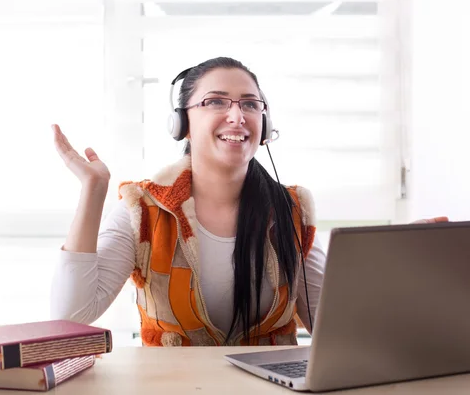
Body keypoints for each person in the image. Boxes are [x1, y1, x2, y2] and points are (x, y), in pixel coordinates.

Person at [49, 56, 446, 347]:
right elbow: (72, 314)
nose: (237, 116)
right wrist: (93, 191)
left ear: (265, 124)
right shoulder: (144, 208)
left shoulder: (292, 211)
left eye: (250, 104)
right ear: (182, 123)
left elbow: (331, 324)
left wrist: (398, 272)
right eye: (216, 102)